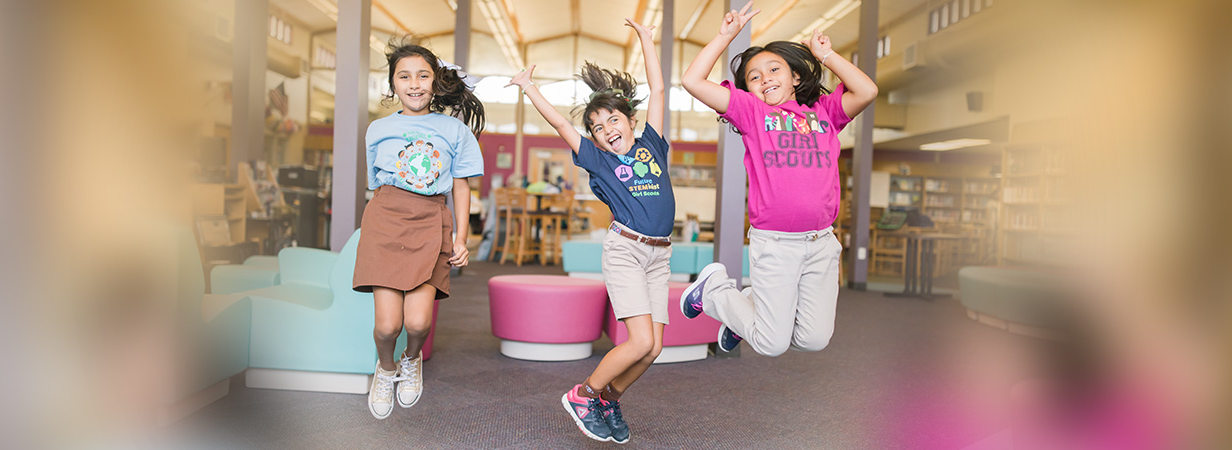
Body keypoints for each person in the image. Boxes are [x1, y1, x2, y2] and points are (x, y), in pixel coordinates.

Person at [675, 2, 877, 357]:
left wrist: (827, 55)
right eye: (755, 76)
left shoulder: (825, 113)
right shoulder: (752, 113)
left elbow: (867, 91)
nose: (765, 77)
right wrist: (725, 37)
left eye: (774, 69)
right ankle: (715, 291)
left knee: (813, 340)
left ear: (795, 77)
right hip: (776, 243)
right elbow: (692, 81)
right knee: (771, 343)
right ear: (749, 90)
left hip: (821, 243)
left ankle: (748, 304)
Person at [511, 18, 674, 444]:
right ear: (595, 141)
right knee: (639, 342)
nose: (607, 130)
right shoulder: (598, 161)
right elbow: (562, 127)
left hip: (661, 254)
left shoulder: (652, 144)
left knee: (653, 348)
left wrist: (645, 40)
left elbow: (658, 90)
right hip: (626, 250)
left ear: (630, 120)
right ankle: (583, 394)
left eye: (613, 121)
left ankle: (609, 398)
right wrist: (530, 89)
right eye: (598, 128)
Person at [353, 38, 485, 420]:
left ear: (435, 82)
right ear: (393, 83)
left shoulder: (455, 131)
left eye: (423, 76)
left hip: (431, 221)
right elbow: (376, 181)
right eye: (405, 76)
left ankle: (412, 359)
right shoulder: (377, 129)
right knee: (386, 326)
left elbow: (461, 184)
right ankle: (386, 367)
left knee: (417, 322)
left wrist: (461, 237)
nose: (414, 84)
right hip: (385, 219)